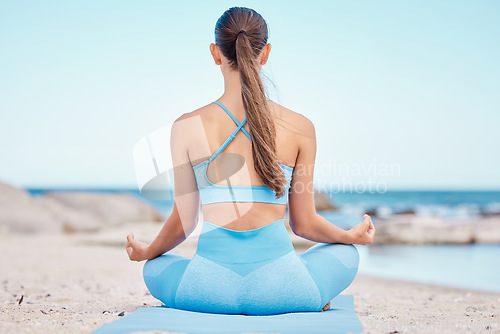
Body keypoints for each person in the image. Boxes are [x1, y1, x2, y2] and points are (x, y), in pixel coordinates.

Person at [125, 6, 375, 316]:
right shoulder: (300, 127)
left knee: (155, 267)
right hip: (285, 291)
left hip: (206, 292)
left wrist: (147, 251)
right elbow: (304, 224)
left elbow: (185, 222)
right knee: (347, 255)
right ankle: (309, 297)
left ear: (216, 53)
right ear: (265, 52)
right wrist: (348, 235)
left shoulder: (185, 126)